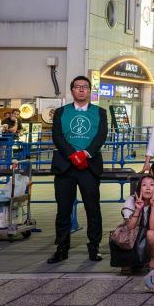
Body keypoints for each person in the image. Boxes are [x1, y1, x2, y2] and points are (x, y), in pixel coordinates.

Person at [48, 76, 108, 263]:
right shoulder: (60, 112)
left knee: (93, 208)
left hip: (89, 167)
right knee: (63, 209)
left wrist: (86, 153)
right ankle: (62, 248)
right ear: (72, 90)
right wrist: (72, 154)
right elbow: (57, 136)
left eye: (85, 87)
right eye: (77, 87)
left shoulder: (100, 112)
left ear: (90, 90)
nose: (81, 90)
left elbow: (101, 135)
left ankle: (94, 247)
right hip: (65, 166)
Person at [119, 175, 154, 271]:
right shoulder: (131, 200)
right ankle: (130, 259)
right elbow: (130, 227)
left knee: (152, 234)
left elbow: (153, 228)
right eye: (144, 185)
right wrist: (138, 209)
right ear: (139, 188)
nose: (148, 188)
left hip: (147, 239)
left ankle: (152, 257)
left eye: (151, 185)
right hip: (132, 236)